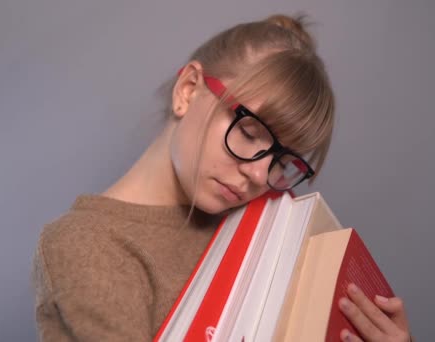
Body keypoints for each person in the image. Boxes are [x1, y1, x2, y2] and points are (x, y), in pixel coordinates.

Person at [32, 14, 412, 342]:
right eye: (248, 132)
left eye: (282, 161)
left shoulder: (264, 235)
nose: (260, 174)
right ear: (188, 90)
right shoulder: (88, 246)